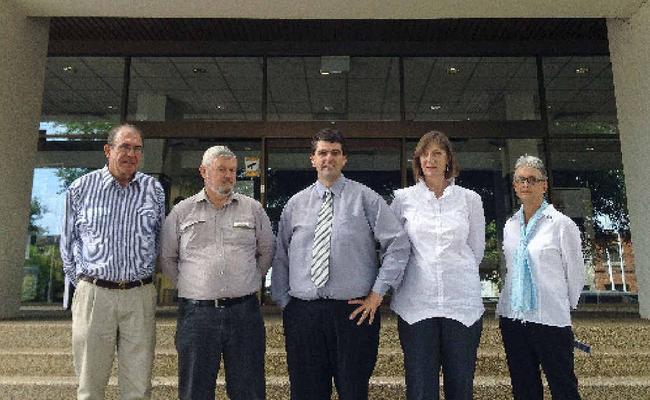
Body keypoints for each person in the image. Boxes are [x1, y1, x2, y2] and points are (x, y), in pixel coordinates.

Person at [271, 128, 410, 400]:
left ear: (345, 159)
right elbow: (281, 255)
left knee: (353, 391)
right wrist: (285, 305)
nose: (328, 159)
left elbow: (398, 245)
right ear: (312, 159)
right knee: (306, 392)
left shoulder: (367, 199)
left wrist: (377, 294)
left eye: (335, 153)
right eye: (322, 153)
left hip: (354, 314)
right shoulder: (295, 204)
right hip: (304, 315)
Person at [159, 145, 274, 400]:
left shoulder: (253, 209)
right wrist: (192, 286)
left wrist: (251, 281)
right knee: (195, 390)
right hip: (197, 315)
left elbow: (267, 251)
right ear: (203, 171)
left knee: (249, 389)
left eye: (232, 170)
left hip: (244, 313)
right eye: (221, 169)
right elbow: (167, 257)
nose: (229, 176)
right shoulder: (181, 212)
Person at [60, 124, 165, 400]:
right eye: (125, 147)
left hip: (139, 296)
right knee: (90, 386)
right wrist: (86, 285)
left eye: (137, 148)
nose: (131, 153)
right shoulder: (81, 188)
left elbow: (159, 240)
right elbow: (68, 246)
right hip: (95, 296)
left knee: (139, 387)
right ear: (108, 150)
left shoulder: (153, 190)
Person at [390, 131, 485, 400]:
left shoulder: (470, 199)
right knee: (420, 388)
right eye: (424, 154)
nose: (430, 159)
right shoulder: (403, 199)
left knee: (461, 385)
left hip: (461, 305)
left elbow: (475, 250)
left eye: (437, 153)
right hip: (416, 305)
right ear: (418, 160)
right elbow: (395, 250)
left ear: (448, 159)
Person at [497, 155, 585, 400]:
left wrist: (562, 306)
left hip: (550, 318)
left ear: (544, 185)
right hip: (514, 318)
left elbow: (575, 272)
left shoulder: (561, 225)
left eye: (532, 180)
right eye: (520, 180)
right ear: (514, 186)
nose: (526, 185)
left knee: (563, 386)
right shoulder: (510, 225)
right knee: (524, 388)